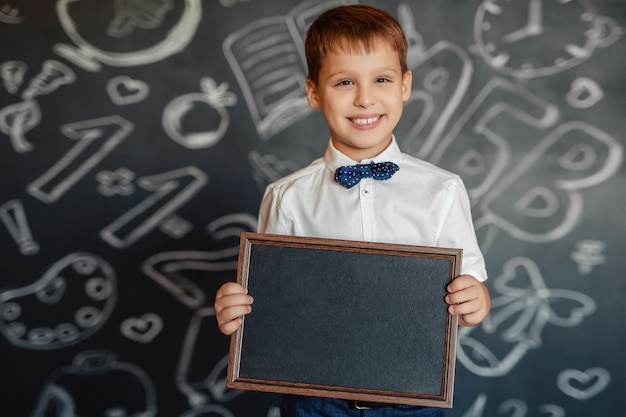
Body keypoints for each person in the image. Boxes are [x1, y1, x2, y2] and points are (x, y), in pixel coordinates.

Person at [215, 5, 490, 416]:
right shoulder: (286, 196)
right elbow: (271, 305)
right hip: (314, 399)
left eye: (381, 79)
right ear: (313, 92)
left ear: (405, 85)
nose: (365, 98)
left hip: (413, 396)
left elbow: (471, 290)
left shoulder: (443, 189)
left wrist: (476, 301)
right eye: (344, 81)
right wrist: (238, 311)